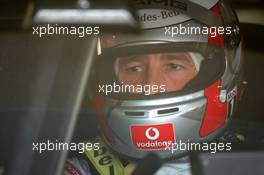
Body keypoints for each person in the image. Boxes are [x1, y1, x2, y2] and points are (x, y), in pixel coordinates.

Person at [64, 0, 245, 174]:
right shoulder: (74, 168)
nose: (151, 85)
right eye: (134, 68)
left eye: (174, 66)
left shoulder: (250, 163)